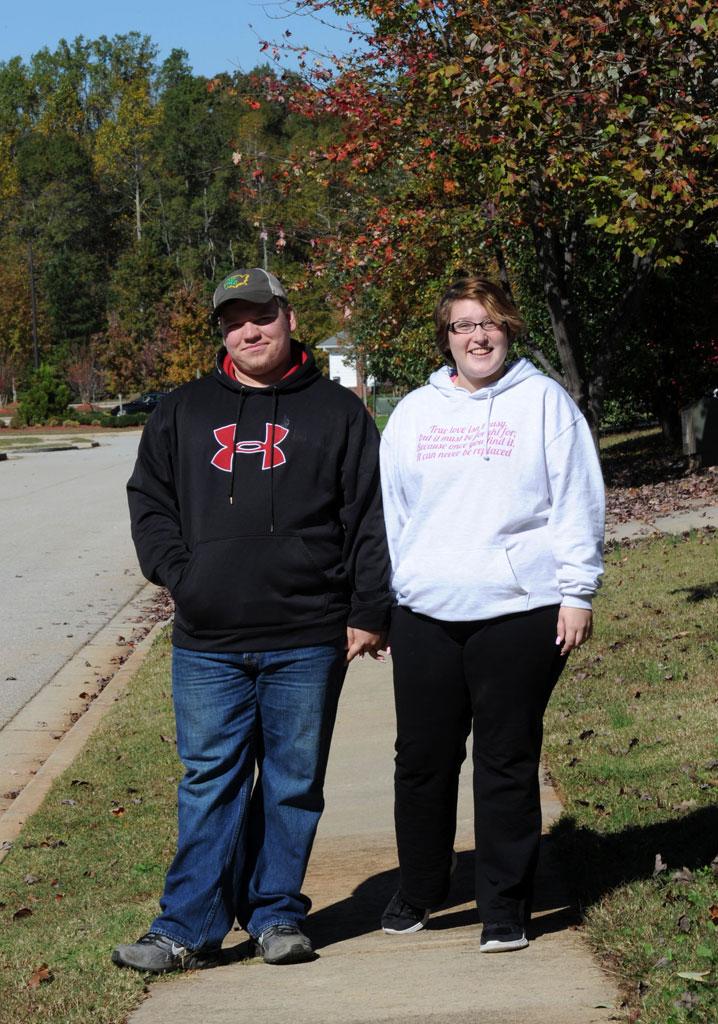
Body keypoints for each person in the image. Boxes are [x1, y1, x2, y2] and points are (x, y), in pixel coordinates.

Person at [112, 267, 390, 973]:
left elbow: (369, 516)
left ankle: (275, 916)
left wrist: (367, 608)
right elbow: (150, 502)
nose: (249, 330)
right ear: (222, 330)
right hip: (209, 640)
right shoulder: (181, 411)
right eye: (235, 319)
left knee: (294, 782)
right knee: (210, 780)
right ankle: (187, 928)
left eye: (261, 314)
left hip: (306, 634)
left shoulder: (337, 412)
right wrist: (183, 575)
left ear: (287, 317)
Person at [379, 276, 604, 953]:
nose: (478, 336)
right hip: (425, 612)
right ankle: (420, 888)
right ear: (446, 338)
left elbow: (576, 499)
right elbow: (392, 513)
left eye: (491, 323)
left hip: (519, 609)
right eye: (463, 326)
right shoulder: (416, 412)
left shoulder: (543, 403)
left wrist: (577, 592)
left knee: (506, 758)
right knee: (422, 758)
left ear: (508, 330)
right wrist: (390, 598)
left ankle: (505, 904)